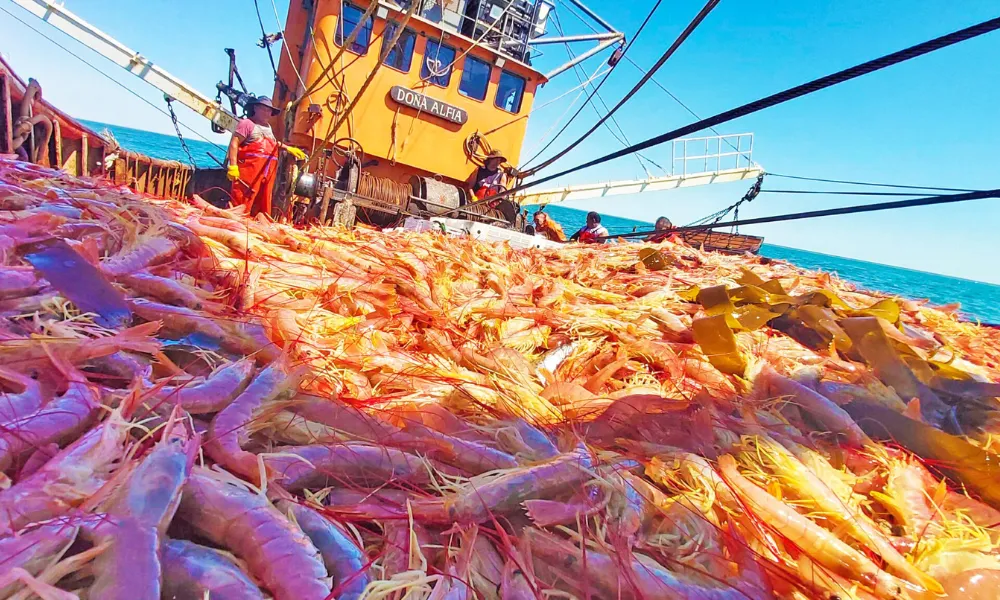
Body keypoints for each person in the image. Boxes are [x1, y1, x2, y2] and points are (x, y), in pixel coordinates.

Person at [226, 96, 307, 216]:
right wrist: (233, 166)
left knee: (263, 201)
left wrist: (288, 148)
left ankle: (254, 226)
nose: (267, 113)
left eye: (269, 110)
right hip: (249, 172)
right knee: (242, 200)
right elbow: (234, 143)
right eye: (264, 109)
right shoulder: (247, 124)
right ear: (255, 108)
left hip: (267, 172)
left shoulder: (268, 128)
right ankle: (234, 226)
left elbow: (273, 143)